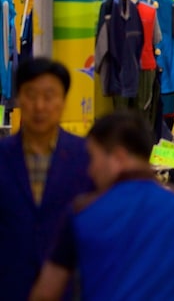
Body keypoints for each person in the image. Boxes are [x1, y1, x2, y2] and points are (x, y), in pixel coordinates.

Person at [29, 113, 174, 301]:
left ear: (119, 157)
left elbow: (47, 291)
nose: (90, 169)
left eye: (93, 158)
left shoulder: (82, 212)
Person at [0, 59, 94, 300]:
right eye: (31, 95)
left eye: (49, 96)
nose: (39, 106)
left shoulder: (86, 158)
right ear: (19, 98)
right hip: (10, 285)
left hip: (70, 288)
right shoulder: (3, 156)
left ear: (63, 101)